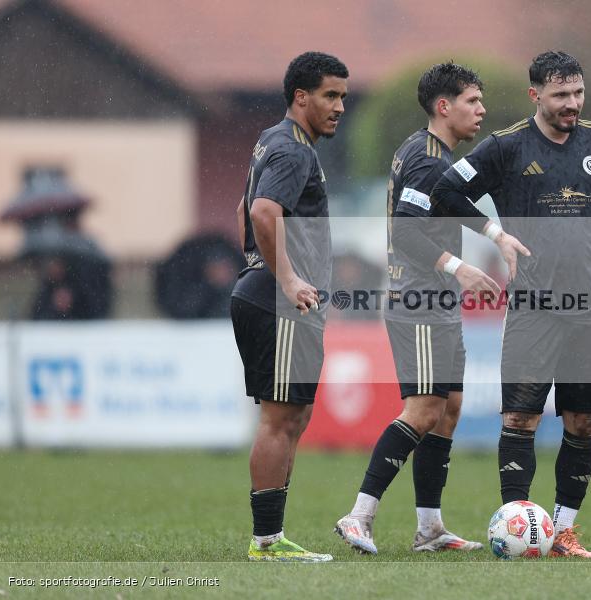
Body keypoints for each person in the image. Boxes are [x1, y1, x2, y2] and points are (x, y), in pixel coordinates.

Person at [430, 51, 591, 557]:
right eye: (560, 95)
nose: (572, 104)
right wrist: (495, 233)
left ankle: (561, 531)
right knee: (520, 420)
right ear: (535, 96)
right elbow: (445, 190)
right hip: (534, 307)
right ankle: (518, 526)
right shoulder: (506, 147)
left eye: (578, 93)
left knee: (583, 422)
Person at [335, 63, 499, 555]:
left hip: (437, 302)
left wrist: (491, 235)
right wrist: (459, 268)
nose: (482, 109)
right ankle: (359, 515)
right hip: (419, 301)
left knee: (447, 410)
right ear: (444, 106)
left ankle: (429, 528)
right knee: (425, 408)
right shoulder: (427, 160)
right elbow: (406, 232)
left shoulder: (427, 153)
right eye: (473, 100)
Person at [230, 51, 348, 562]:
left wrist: (257, 264)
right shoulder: (294, 149)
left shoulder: (274, 140)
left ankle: (272, 539)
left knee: (293, 417)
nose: (340, 106)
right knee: (280, 421)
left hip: (273, 294)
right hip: (276, 299)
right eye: (330, 95)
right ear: (301, 97)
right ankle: (266, 543)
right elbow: (260, 210)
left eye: (342, 96)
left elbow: (243, 208)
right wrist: (286, 276)